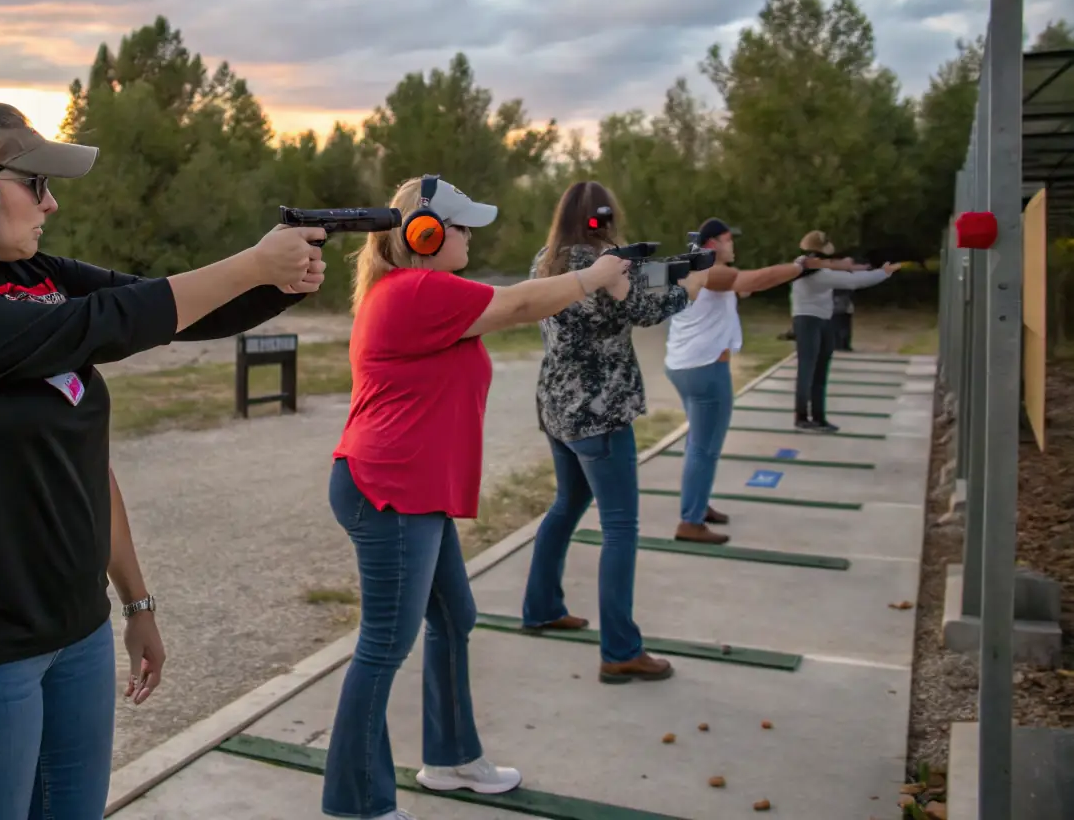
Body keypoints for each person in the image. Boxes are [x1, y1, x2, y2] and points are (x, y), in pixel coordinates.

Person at [0, 95, 327, 820]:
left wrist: (279, 278)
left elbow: (165, 315)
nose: (51, 204)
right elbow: (112, 322)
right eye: (36, 183)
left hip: (74, 634)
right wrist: (250, 262)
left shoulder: (29, 279)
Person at [322, 174, 630, 820]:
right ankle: (354, 806)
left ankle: (450, 757)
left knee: (453, 619)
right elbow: (520, 306)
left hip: (413, 489)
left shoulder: (414, 290)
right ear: (423, 235)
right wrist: (594, 274)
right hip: (391, 489)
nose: (467, 236)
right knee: (382, 646)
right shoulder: (415, 291)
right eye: (458, 227)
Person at [520, 181, 704, 685]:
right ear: (604, 216)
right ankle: (620, 648)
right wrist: (695, 280)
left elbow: (644, 275)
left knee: (566, 505)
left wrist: (680, 267)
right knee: (620, 528)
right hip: (600, 412)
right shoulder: (608, 263)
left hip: (558, 404)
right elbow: (647, 309)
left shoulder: (547, 259)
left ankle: (540, 606)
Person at [663, 219, 823, 544]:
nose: (732, 244)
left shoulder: (686, 267)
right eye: (726, 239)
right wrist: (799, 267)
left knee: (698, 444)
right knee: (704, 448)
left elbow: (741, 287)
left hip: (684, 365)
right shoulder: (708, 270)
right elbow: (755, 279)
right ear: (710, 245)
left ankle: (697, 505)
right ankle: (690, 522)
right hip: (706, 368)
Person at [790, 230, 901, 432]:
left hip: (822, 319)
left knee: (820, 370)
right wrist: (883, 273)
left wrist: (862, 269)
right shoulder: (812, 271)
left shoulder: (816, 267)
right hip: (808, 320)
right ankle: (801, 417)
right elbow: (852, 281)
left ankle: (818, 416)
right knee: (807, 370)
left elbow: (846, 273)